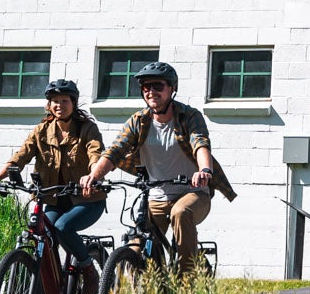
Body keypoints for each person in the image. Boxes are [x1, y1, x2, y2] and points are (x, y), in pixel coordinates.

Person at [81, 60, 235, 270]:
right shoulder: (138, 121)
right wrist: (94, 176)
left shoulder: (189, 116)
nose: (151, 91)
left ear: (172, 89)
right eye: (146, 87)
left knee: (181, 213)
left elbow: (200, 144)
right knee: (138, 242)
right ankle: (143, 291)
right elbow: (114, 151)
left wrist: (205, 170)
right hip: (156, 195)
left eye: (158, 86)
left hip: (193, 192)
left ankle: (186, 280)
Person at [0, 78, 109, 267]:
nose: (59, 105)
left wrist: (92, 177)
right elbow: (20, 157)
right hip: (53, 200)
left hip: (87, 200)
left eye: (65, 101)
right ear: (49, 105)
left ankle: (87, 267)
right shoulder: (41, 131)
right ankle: (51, 288)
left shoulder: (87, 128)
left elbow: (95, 153)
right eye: (55, 101)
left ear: (73, 103)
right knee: (43, 234)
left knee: (62, 227)